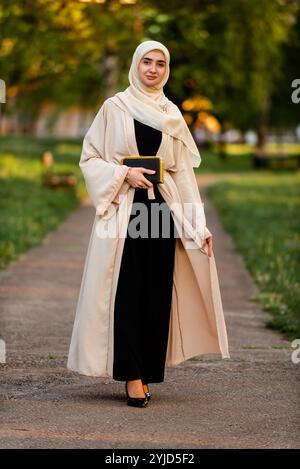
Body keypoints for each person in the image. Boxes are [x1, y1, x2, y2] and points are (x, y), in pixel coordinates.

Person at [67, 40, 230, 408]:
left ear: (166, 70)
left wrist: (197, 227)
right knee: (126, 292)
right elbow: (89, 158)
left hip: (161, 214)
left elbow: (183, 175)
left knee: (155, 294)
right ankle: (132, 377)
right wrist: (124, 173)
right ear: (135, 66)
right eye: (146, 62)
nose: (153, 69)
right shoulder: (115, 108)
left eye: (159, 63)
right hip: (125, 213)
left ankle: (147, 369)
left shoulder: (172, 115)